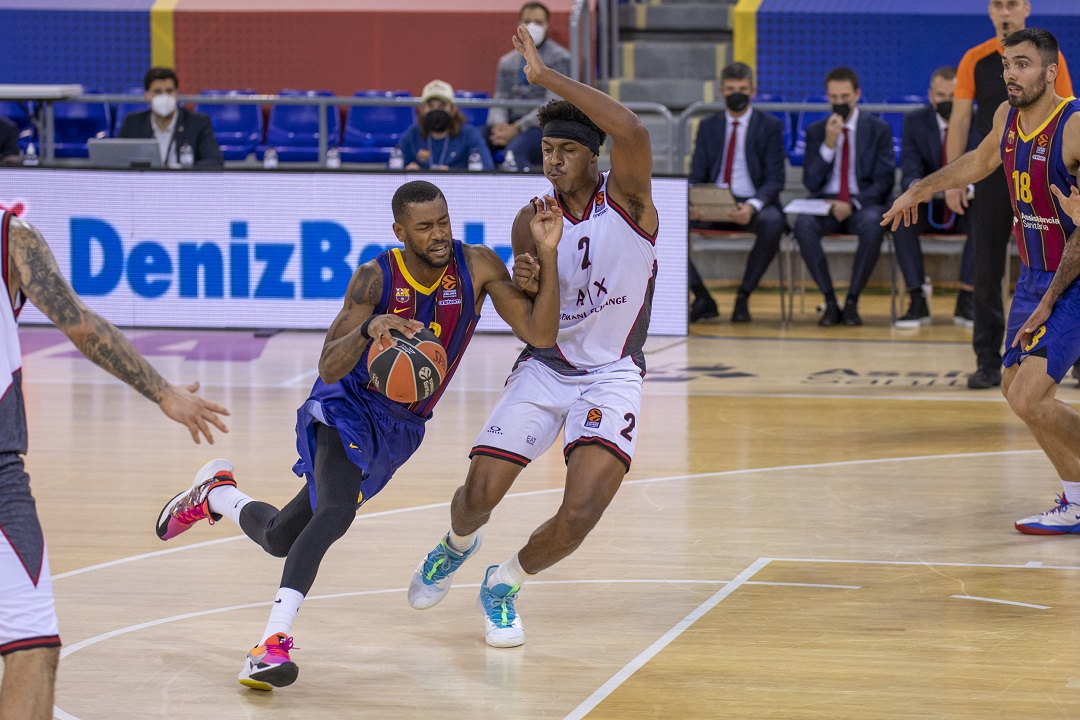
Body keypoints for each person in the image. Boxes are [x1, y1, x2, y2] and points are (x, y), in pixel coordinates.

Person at [154, 180, 562, 689]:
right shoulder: (375, 278)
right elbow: (327, 363)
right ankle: (270, 645)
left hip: (401, 429)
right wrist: (369, 329)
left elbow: (540, 334)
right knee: (335, 511)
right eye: (424, 227)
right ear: (399, 231)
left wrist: (544, 260)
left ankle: (219, 495)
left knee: (283, 538)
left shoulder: (476, 265)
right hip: (346, 405)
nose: (438, 235)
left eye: (443, 222)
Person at [407, 23, 658, 649]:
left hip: (612, 374)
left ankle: (505, 581)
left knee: (580, 515)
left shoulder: (628, 201)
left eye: (565, 151)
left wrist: (544, 78)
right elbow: (534, 315)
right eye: (546, 151)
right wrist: (531, 271)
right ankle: (458, 544)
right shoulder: (530, 220)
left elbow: (632, 128)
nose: (552, 161)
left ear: (591, 155)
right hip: (546, 365)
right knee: (477, 495)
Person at [0, 211, 229, 720]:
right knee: (30, 643)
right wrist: (162, 392)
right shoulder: (12, 236)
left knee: (32, 642)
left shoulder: (12, 236)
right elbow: (78, 322)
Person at [884, 28, 1080, 536]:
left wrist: (1049, 300)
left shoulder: (1074, 125)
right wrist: (919, 190)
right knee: (1014, 387)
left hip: (1073, 276)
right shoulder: (1006, 118)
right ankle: (1077, 498)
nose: (1010, 74)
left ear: (1050, 71)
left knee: (1030, 398)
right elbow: (978, 162)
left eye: (1023, 64)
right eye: (1007, 65)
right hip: (1036, 274)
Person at [946, 0, 1072, 387]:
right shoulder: (976, 59)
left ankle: (1073, 355)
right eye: (998, 4)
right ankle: (987, 361)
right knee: (985, 269)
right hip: (992, 177)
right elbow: (961, 118)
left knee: (1065, 264)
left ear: (1026, 9)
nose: (1005, 11)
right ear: (990, 11)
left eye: (1012, 3)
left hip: (1039, 173)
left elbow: (1067, 114)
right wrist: (954, 180)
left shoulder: (1051, 58)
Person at [793, 66, 895, 326]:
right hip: (826, 202)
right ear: (827, 97)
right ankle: (829, 301)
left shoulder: (877, 129)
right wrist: (828, 145)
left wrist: (852, 204)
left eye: (845, 97)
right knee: (803, 224)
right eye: (834, 98)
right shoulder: (817, 131)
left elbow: (884, 181)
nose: (839, 103)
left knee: (875, 224)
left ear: (857, 94)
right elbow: (810, 181)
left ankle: (851, 301)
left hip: (861, 204)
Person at [688, 62, 786, 323]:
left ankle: (744, 295)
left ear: (753, 91)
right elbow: (696, 174)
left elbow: (776, 180)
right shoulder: (708, 126)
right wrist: (694, 201)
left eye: (742, 89)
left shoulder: (770, 126)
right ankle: (702, 296)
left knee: (774, 221)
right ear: (722, 91)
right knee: (665, 221)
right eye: (731, 89)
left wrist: (753, 205)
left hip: (751, 202)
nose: (736, 93)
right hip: (713, 199)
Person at [893, 66, 978, 328]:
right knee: (900, 216)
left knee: (987, 215)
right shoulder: (915, 122)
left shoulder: (979, 121)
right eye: (941, 95)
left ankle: (967, 298)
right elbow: (909, 169)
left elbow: (986, 168)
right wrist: (919, 188)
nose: (947, 101)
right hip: (928, 206)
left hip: (965, 206)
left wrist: (964, 187)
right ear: (931, 96)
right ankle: (917, 299)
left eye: (953, 95)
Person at [487, 2, 572, 170]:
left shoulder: (561, 59)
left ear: (547, 25)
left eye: (538, 22)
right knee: (476, 139)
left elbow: (553, 103)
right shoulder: (506, 62)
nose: (533, 26)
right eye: (527, 21)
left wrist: (518, 128)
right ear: (519, 24)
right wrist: (500, 126)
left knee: (515, 152)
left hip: (541, 125)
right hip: (511, 122)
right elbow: (500, 98)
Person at [116, 67, 224, 169]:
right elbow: (117, 160)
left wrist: (181, 170)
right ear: (147, 96)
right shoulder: (133, 123)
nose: (164, 96)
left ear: (176, 94)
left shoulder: (198, 123)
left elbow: (215, 161)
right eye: (157, 92)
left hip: (183, 184)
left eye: (169, 91)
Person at [397, 80, 494, 171]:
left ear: (452, 109)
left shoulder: (468, 134)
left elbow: (487, 167)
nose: (436, 111)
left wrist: (453, 174)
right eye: (430, 106)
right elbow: (393, 165)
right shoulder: (413, 133)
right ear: (422, 110)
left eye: (442, 106)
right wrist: (408, 170)